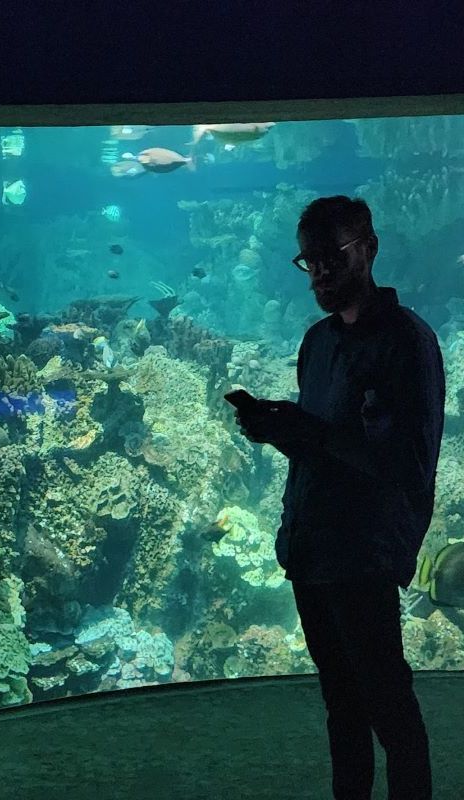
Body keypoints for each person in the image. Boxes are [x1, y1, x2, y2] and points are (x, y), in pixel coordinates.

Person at [234, 196, 444, 800]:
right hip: (312, 550)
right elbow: (324, 448)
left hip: (365, 553)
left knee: (388, 705)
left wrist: (311, 434)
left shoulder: (409, 342)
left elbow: (408, 463)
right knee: (340, 704)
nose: (321, 272)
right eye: (310, 260)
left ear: (370, 249)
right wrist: (279, 431)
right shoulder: (318, 342)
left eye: (334, 256)